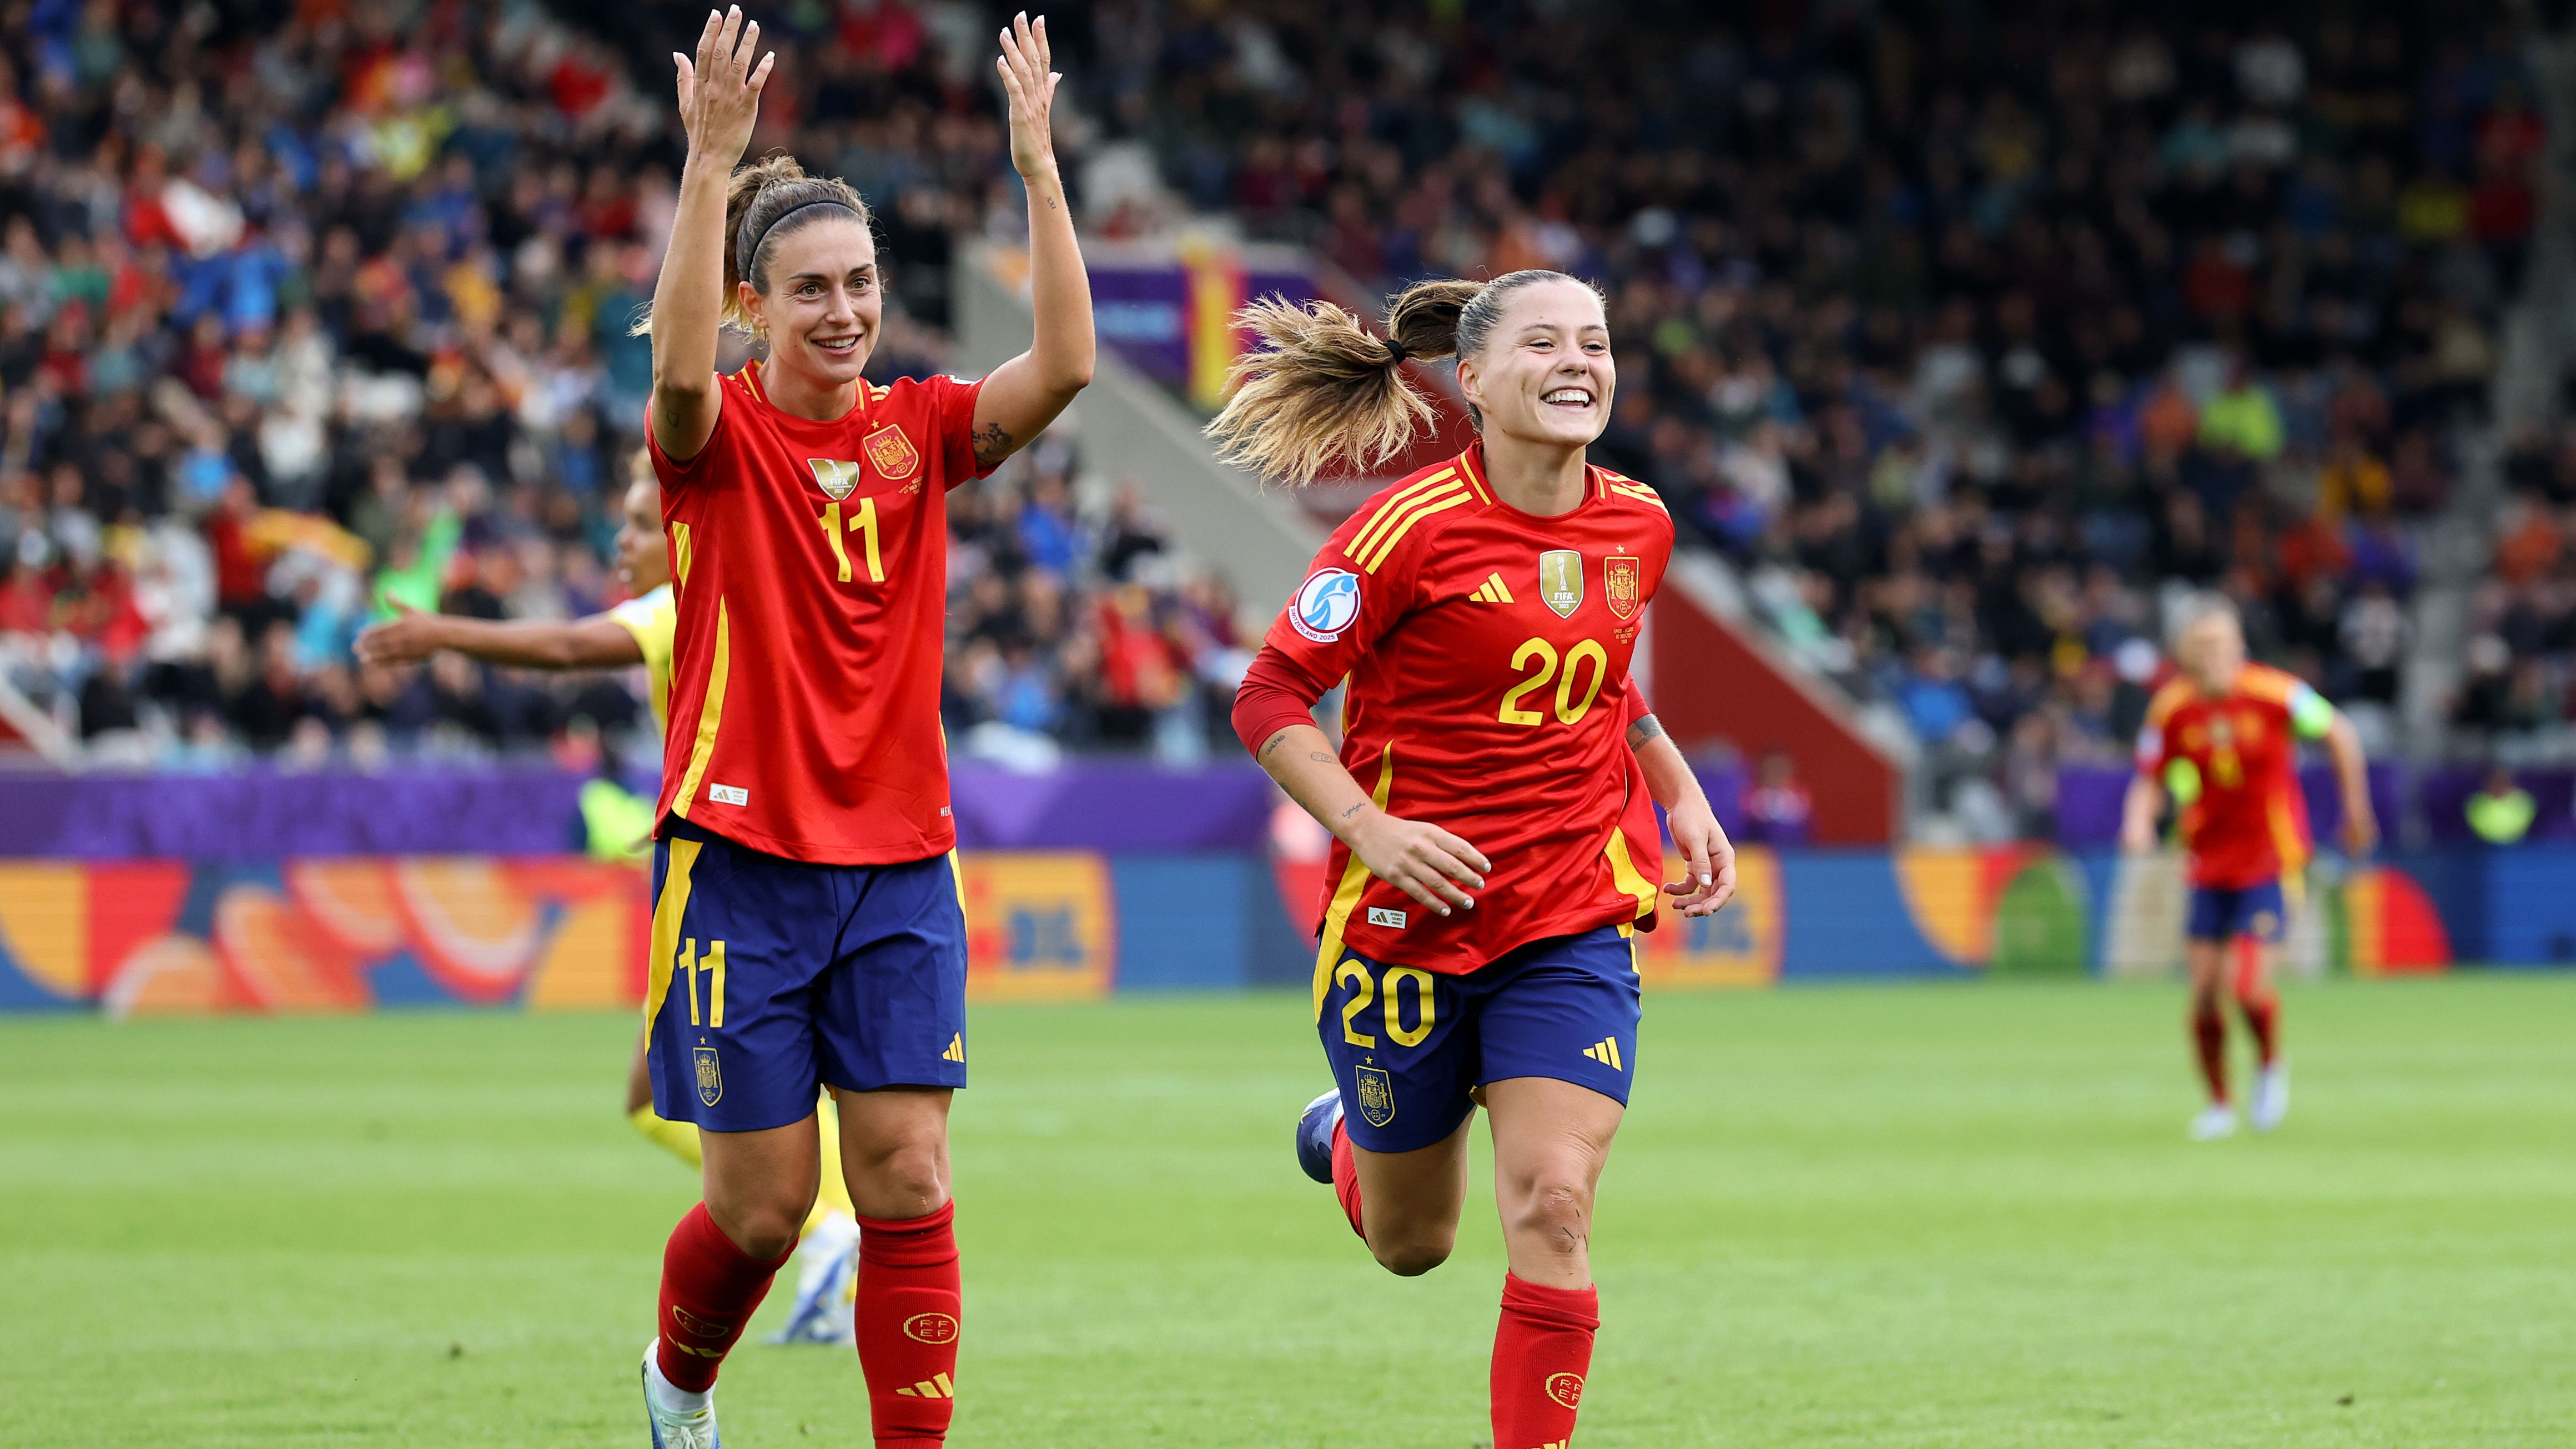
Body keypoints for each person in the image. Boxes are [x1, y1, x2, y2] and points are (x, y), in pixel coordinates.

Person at [628, 10, 1090, 1447]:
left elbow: (1065, 365)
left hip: (898, 861)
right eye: (811, 289)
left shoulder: (921, 429)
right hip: (741, 860)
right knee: (763, 1208)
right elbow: (679, 377)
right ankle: (679, 1380)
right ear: (753, 303)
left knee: (907, 1178)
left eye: (862, 283)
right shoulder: (715, 442)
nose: (842, 310)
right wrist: (709, 166)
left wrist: (1037, 169)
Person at [1213, 269, 1737, 1449]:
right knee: (1413, 1245)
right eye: (1544, 343)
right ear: (1475, 381)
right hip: (1405, 934)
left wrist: (1676, 787)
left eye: (1595, 341)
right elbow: (1270, 694)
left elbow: (1601, 675)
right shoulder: (1405, 530)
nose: (1578, 362)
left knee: (1554, 1204)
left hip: (1568, 920)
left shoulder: (1640, 523)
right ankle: (1343, 1137)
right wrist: (1371, 830)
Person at [355, 454, 865, 1347]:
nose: (623, 544)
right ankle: (829, 1226)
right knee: (661, 1088)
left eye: (637, 524)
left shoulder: (683, 600)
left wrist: (445, 633)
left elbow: (563, 648)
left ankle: (831, 1228)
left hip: (741, 881)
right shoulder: (730, 603)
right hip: (753, 859)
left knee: (696, 1083)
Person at [2120, 598, 2375, 1141]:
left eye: (2220, 642)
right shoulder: (2171, 708)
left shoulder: (2275, 692)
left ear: (2238, 646)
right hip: (2206, 863)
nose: (2212, 653)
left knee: (2247, 987)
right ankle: (2218, 1104)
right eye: (2201, 645)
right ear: (2185, 653)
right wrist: (2137, 822)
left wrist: (2356, 812)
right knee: (2203, 993)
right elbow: (2148, 775)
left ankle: (2269, 1065)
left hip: (2269, 861)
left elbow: (2340, 732)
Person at [2464, 766, 2534, 845]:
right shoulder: (2477, 804)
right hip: (2485, 845)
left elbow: (2522, 825)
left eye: (2502, 783)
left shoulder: (2522, 801)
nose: (2499, 787)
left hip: (2516, 845)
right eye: (2495, 784)